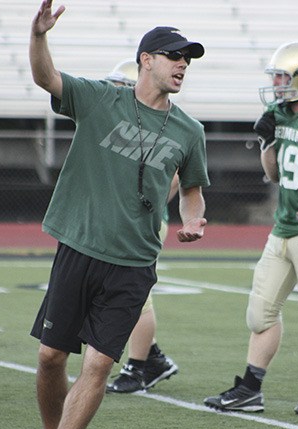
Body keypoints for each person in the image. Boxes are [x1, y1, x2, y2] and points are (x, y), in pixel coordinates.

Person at [29, 2, 209, 429]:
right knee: (52, 358)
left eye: (187, 58)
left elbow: (192, 192)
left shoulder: (190, 131)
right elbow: (45, 78)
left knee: (98, 364)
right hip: (79, 247)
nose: (182, 64)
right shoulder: (99, 99)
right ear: (146, 61)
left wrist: (194, 221)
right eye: (174, 56)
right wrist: (39, 37)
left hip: (133, 263)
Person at [204, 41, 298, 416]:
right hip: (284, 227)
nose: (275, 83)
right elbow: (273, 174)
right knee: (260, 313)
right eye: (274, 75)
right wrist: (267, 141)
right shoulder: (282, 115)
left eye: (281, 76)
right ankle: (250, 389)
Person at [104, 59, 179, 393]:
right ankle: (155, 357)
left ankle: (137, 369)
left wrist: (149, 207)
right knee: (115, 294)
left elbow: (175, 176)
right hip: (118, 220)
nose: (114, 93)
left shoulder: (156, 126)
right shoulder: (124, 122)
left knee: (138, 298)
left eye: (120, 86)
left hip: (141, 223)